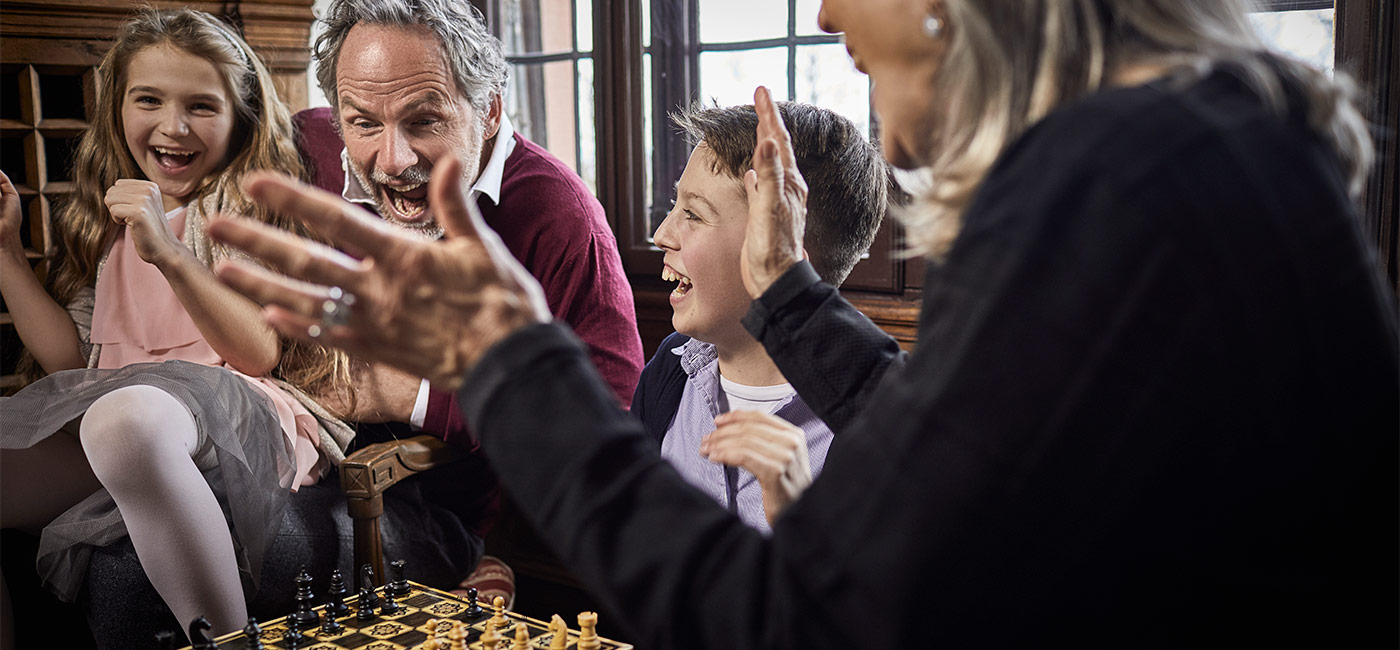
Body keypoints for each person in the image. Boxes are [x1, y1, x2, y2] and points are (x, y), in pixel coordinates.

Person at [209, 0, 1399, 647]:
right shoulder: (1200, 146)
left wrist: (506, 353)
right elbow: (948, 451)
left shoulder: (1109, 185)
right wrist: (786, 295)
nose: (829, 9)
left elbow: (804, 614)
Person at [0, 9, 353, 641]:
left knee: (125, 420)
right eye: (149, 101)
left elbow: (256, 352)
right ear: (117, 110)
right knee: (104, 422)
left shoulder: (240, 200)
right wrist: (4, 252)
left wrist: (168, 251)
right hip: (124, 412)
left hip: (235, 413)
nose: (173, 126)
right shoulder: (107, 218)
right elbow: (70, 362)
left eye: (201, 106)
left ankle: (229, 638)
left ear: (240, 117)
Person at [298, 0, 643, 428]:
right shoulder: (307, 144)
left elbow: (609, 417)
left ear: (490, 112)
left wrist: (415, 397)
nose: (392, 161)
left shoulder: (563, 214)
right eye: (365, 124)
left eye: (424, 121)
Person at [632, 102, 888, 532]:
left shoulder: (876, 433)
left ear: (783, 255)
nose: (662, 234)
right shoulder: (669, 371)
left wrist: (802, 526)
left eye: (693, 214)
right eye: (676, 205)